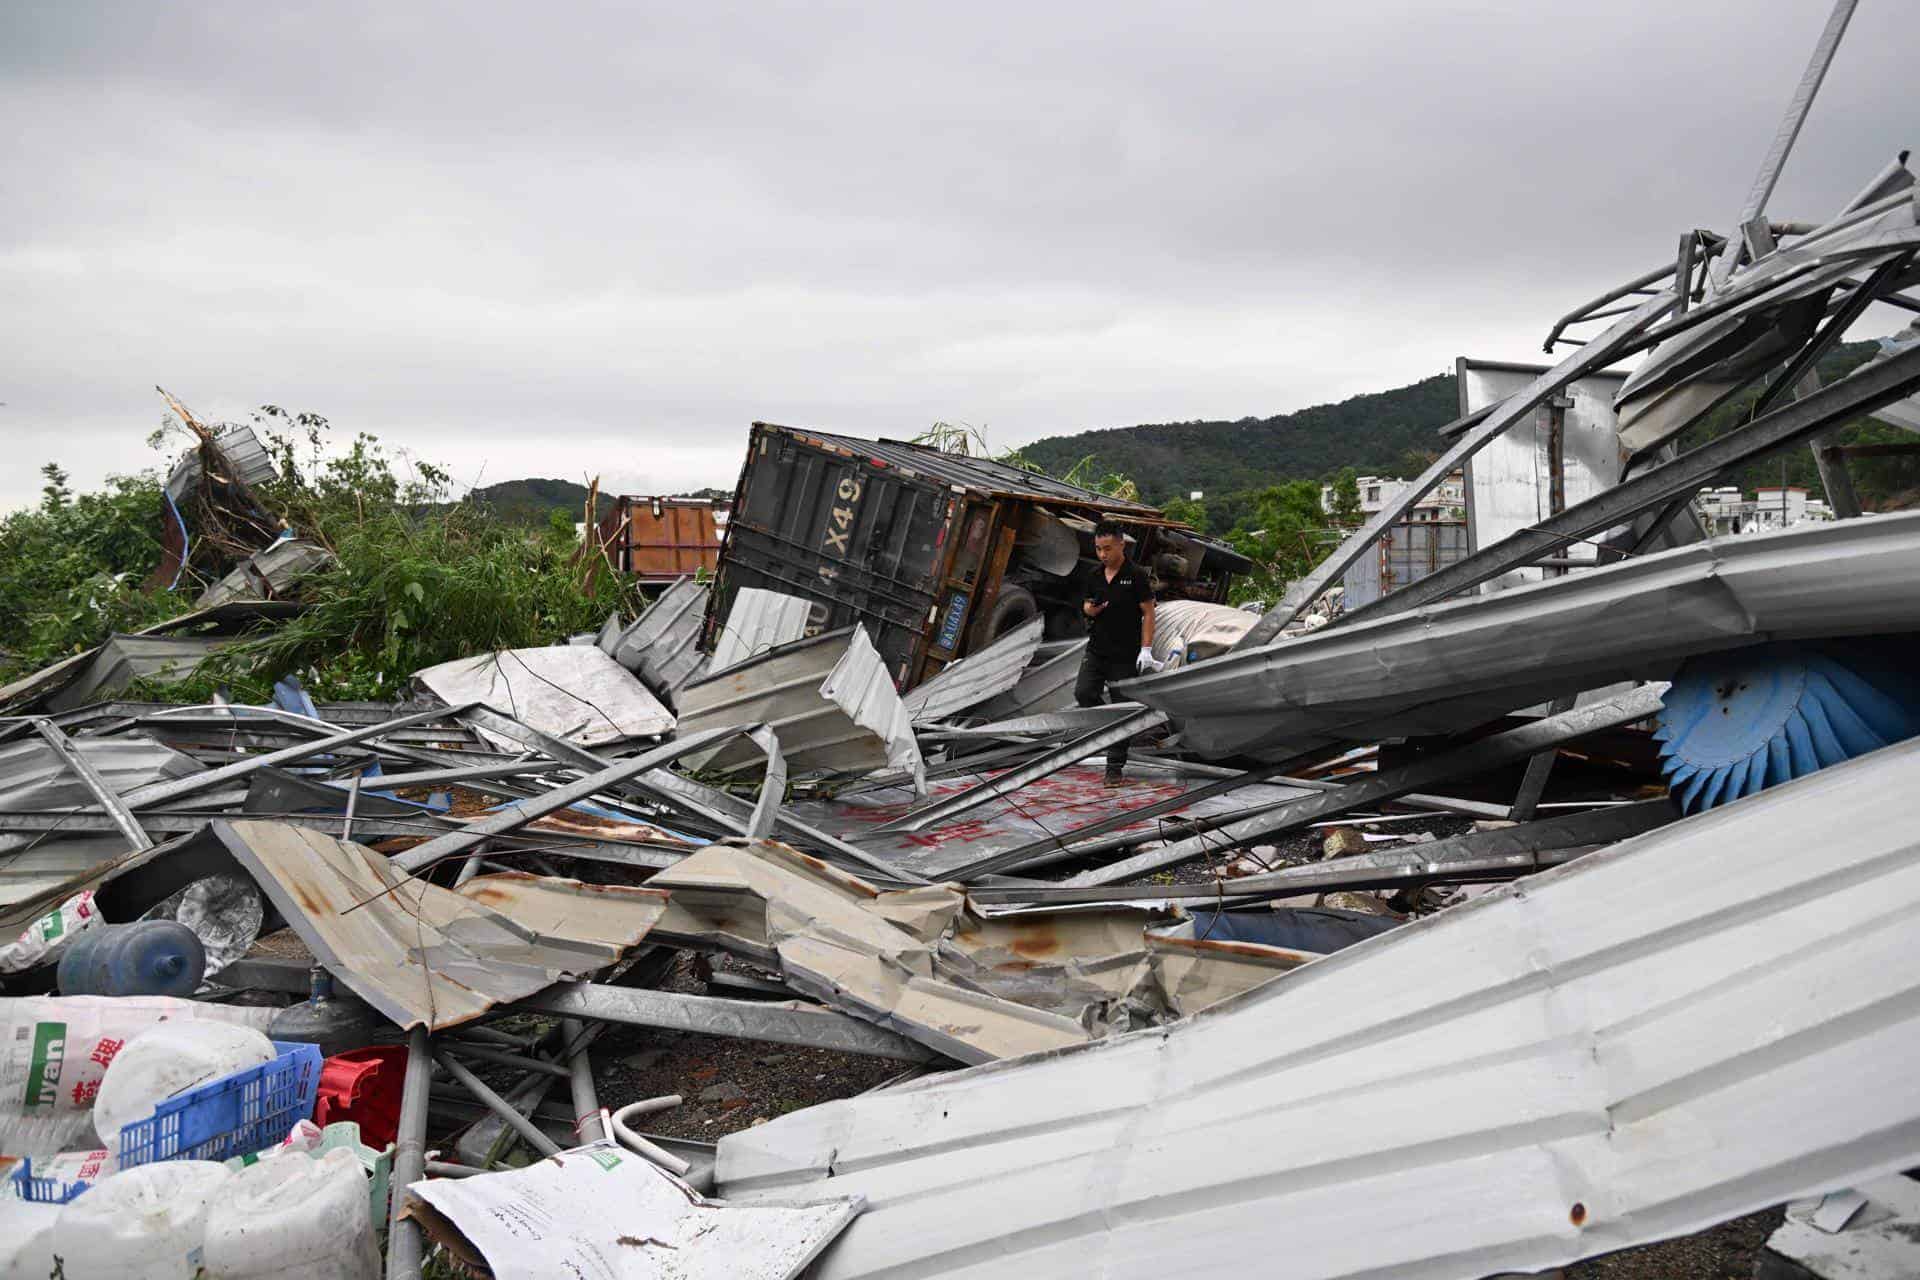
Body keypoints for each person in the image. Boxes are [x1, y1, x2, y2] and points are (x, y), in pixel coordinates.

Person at [1075, 521, 1159, 785]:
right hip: (1097, 648)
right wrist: (1092, 610)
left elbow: (1148, 612)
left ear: (1121, 544)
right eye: (1099, 549)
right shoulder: (1094, 575)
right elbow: (1086, 605)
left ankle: (1114, 768)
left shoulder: (1136, 575)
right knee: (1084, 693)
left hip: (1125, 652)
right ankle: (1109, 730)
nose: (1103, 554)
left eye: (1107, 548)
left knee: (1122, 708)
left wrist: (1146, 648)